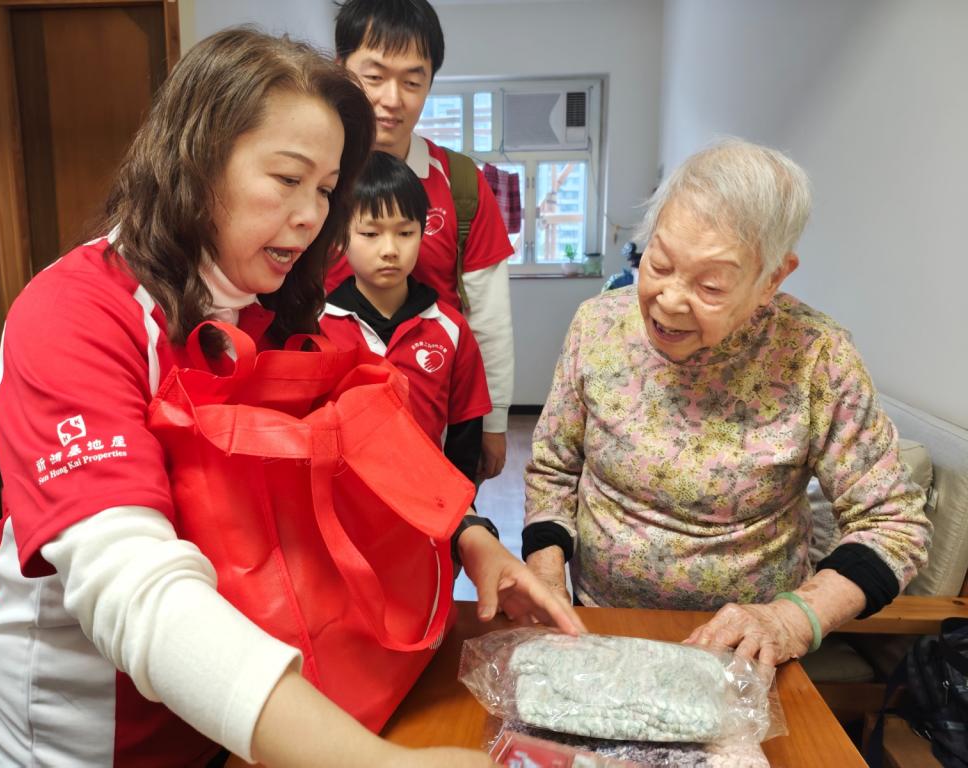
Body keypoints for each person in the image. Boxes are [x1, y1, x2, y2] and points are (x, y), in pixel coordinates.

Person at [0, 28, 578, 768]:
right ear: (193, 160)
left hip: (245, 710)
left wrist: (470, 536)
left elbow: (378, 442)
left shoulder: (275, 310)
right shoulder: (73, 316)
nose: (311, 215)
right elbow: (135, 588)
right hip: (96, 727)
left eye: (326, 190)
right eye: (287, 179)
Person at [522, 138, 932, 667]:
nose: (668, 301)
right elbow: (553, 469)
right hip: (596, 622)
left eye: (710, 286)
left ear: (772, 279)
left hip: (744, 648)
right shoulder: (597, 325)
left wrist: (787, 620)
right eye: (658, 264)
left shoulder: (816, 357)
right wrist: (546, 572)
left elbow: (894, 524)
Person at [329, 0, 515, 482]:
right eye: (373, 77)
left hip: (433, 425)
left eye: (413, 81)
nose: (393, 99)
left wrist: (492, 424)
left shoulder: (461, 185)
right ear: (340, 69)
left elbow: (489, 319)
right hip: (328, 436)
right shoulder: (307, 180)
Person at [320, 151, 491, 485]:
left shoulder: (451, 329)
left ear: (422, 232)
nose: (389, 250)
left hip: (428, 507)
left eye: (405, 233)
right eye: (370, 234)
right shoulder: (317, 326)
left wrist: (457, 511)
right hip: (344, 510)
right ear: (341, 237)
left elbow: (465, 430)